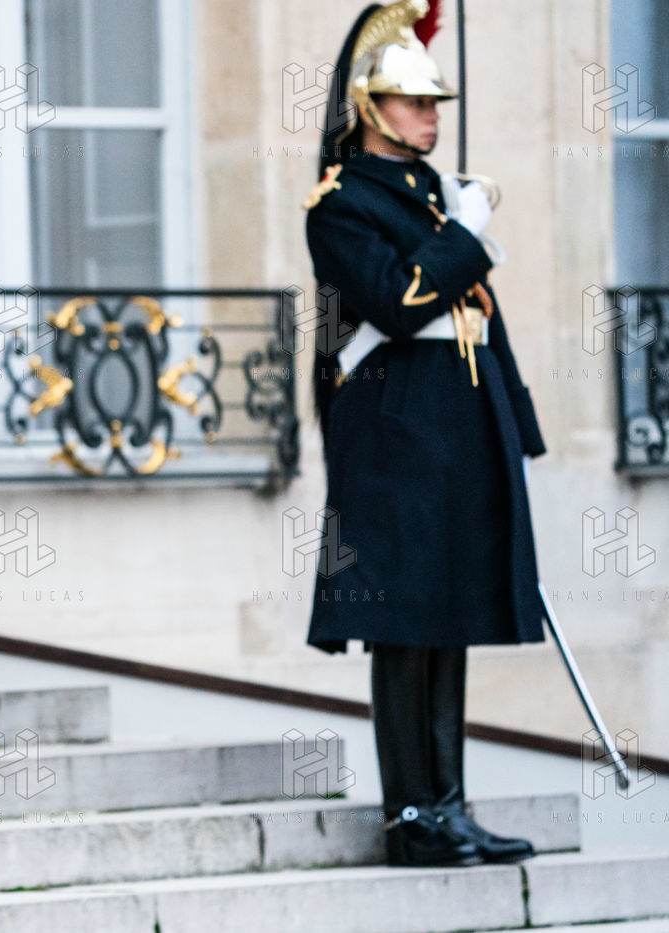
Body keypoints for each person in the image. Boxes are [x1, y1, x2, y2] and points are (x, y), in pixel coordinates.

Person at [304, 0, 544, 868]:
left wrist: (516, 424)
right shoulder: (341, 204)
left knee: (451, 618)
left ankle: (450, 806)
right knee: (406, 622)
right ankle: (410, 815)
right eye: (415, 102)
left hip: (458, 423)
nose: (431, 116)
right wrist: (466, 234)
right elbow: (401, 303)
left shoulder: (437, 196)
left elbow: (481, 318)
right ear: (371, 107)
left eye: (435, 102)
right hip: (394, 429)